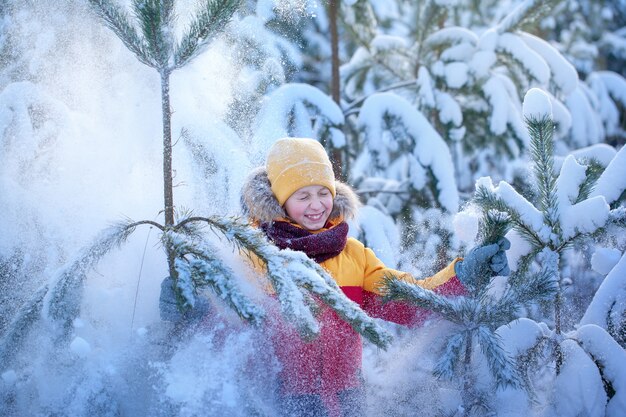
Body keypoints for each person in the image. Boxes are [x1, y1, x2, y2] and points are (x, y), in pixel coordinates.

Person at [161, 137, 509, 417]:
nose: (317, 205)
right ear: (280, 202)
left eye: (324, 192)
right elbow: (226, 321)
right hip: (279, 401)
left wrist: (463, 274)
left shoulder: (353, 255)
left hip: (346, 400)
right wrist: (189, 307)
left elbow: (409, 301)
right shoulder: (254, 255)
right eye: (303, 195)